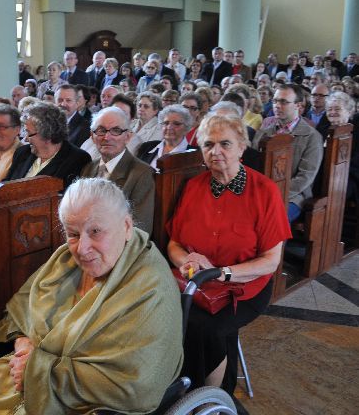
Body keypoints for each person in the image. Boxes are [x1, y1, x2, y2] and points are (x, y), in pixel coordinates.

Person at [0, 177, 183, 414]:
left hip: (83, 405)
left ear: (127, 227)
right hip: (19, 376)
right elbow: (21, 312)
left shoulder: (150, 287)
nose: (82, 248)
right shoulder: (64, 260)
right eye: (73, 234)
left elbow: (135, 385)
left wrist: (37, 369)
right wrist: (24, 344)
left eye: (96, 231)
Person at [167, 114, 291, 394]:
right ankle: (180, 391)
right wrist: (187, 260)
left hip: (245, 286)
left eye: (225, 143)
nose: (215, 151)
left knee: (208, 329)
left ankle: (210, 397)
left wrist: (223, 273)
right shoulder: (193, 187)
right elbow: (173, 244)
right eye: (208, 144)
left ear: (241, 147)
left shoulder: (264, 191)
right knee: (165, 318)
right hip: (195, 281)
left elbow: (271, 261)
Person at [252, 84, 323, 222]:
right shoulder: (264, 132)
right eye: (275, 101)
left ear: (298, 105)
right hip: (261, 191)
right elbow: (253, 167)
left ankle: (273, 244)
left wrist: (274, 193)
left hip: (294, 195)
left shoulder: (311, 136)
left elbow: (305, 176)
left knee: (273, 216)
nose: (277, 106)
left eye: (283, 102)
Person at [80, 107, 155, 233]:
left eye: (116, 130)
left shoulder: (142, 174)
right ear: (92, 137)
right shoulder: (88, 168)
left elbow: (140, 230)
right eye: (101, 130)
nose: (107, 137)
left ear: (128, 137)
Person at [5, 102, 91, 189]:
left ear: (47, 134)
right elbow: (5, 186)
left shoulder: (77, 160)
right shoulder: (22, 153)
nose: (26, 139)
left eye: (29, 133)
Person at [137, 104, 195, 170]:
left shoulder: (195, 155)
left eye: (176, 124)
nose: (169, 127)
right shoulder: (147, 147)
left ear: (186, 128)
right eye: (166, 123)